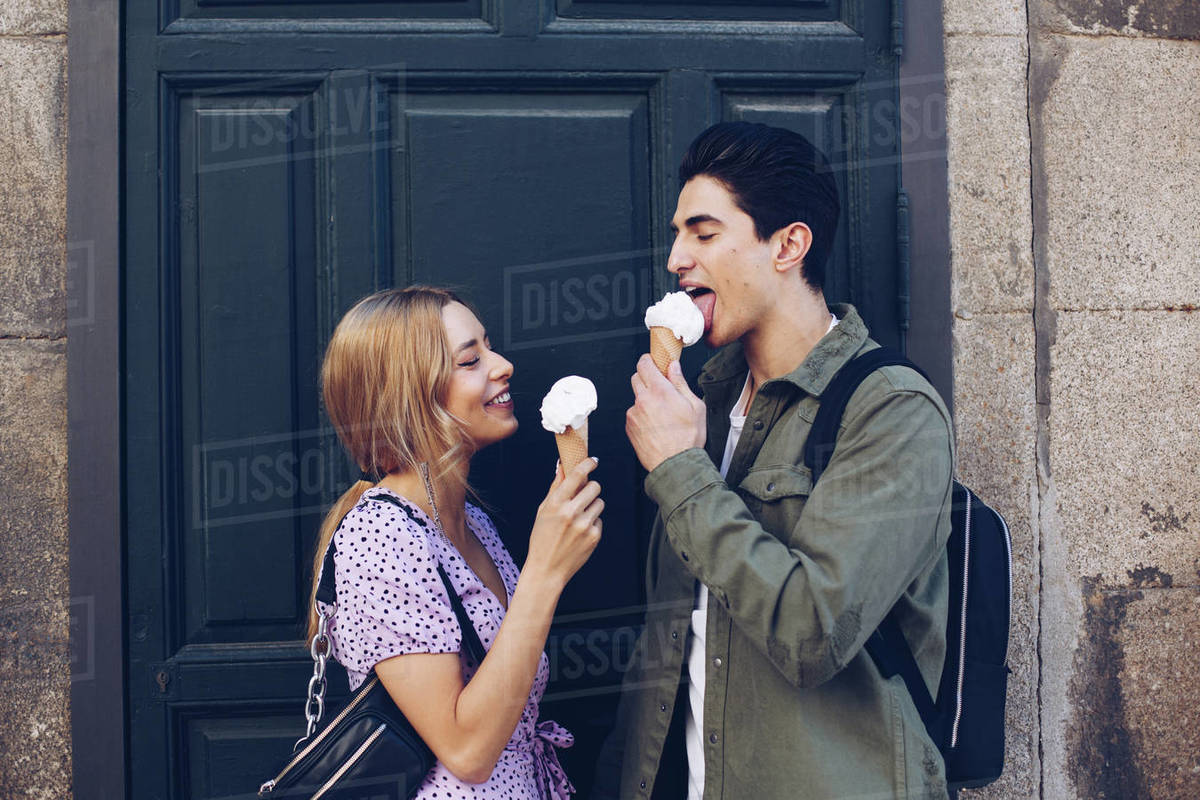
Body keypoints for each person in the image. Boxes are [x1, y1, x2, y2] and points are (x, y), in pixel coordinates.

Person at [595, 122, 956, 799]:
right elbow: (671, 638)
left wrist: (680, 473)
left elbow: (813, 635)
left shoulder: (892, 411)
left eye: (703, 234)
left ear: (788, 244)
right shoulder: (705, 397)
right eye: (677, 235)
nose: (676, 257)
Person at [308, 286, 603, 799]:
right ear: (408, 396)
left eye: (488, 347)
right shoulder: (380, 535)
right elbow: (466, 751)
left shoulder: (472, 524)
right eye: (471, 360)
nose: (503, 364)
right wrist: (547, 569)